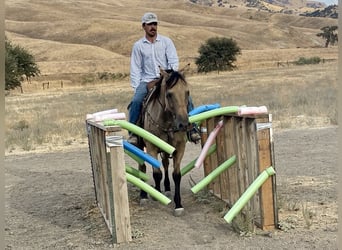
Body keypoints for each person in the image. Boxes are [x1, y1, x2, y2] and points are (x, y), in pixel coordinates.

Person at [127, 12, 201, 145]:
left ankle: (192, 128)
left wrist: (168, 75)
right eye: (149, 24)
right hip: (147, 80)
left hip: (167, 78)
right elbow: (135, 68)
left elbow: (173, 61)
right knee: (137, 100)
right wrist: (137, 86)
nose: (153, 27)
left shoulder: (166, 42)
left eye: (154, 24)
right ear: (143, 26)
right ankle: (133, 133)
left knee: (186, 97)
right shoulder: (138, 46)